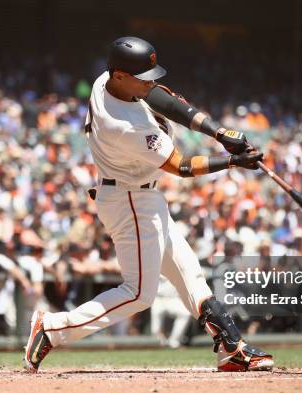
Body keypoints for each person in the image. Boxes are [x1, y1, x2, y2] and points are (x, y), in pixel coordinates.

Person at [24, 36, 273, 372]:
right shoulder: (123, 125)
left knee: (190, 273)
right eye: (143, 75)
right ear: (120, 76)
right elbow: (181, 167)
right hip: (130, 199)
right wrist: (230, 162)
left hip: (140, 194)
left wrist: (218, 132)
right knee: (140, 293)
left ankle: (233, 348)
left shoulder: (108, 81)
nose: (150, 81)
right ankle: (53, 328)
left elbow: (163, 99)